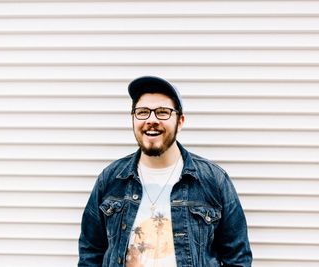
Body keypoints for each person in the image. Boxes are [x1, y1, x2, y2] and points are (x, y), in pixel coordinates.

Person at [78, 76, 252, 267]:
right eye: (142, 112)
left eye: (163, 112)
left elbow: (238, 258)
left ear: (180, 121)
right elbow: (90, 253)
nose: (151, 120)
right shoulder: (110, 179)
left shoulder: (214, 180)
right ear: (133, 119)